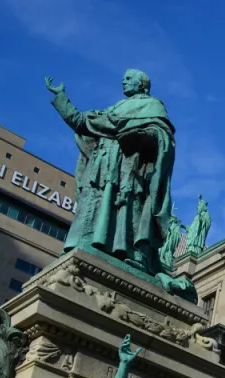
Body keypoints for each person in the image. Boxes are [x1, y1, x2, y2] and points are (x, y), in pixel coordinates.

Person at [45, 69, 175, 275]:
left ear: (142, 85)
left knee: (128, 206)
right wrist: (61, 97)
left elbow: (162, 136)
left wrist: (137, 135)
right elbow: (82, 122)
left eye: (129, 78)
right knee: (95, 206)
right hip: (103, 165)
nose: (123, 81)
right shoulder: (113, 109)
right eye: (123, 78)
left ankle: (131, 254)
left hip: (130, 167)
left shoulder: (153, 105)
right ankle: (89, 244)